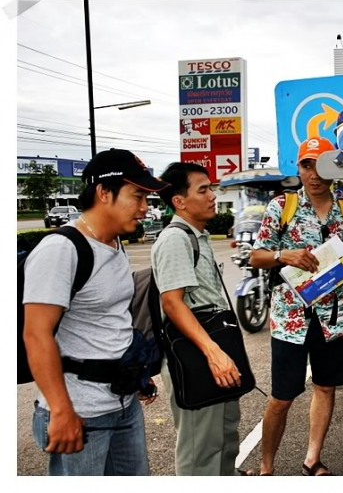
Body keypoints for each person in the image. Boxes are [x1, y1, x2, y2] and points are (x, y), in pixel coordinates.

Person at [23, 148, 168, 475]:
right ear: (104, 192)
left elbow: (110, 322)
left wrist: (137, 375)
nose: (146, 208)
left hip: (123, 404)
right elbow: (36, 334)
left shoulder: (114, 245)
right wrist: (61, 412)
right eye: (138, 196)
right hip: (81, 411)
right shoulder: (62, 250)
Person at [251, 137, 343, 476]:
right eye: (306, 165)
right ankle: (266, 467)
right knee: (282, 396)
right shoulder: (281, 206)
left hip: (334, 318)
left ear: (334, 167)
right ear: (298, 167)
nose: (313, 174)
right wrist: (281, 255)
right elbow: (256, 256)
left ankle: (312, 458)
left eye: (320, 165)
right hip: (291, 319)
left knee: (325, 386)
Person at [151, 162, 242, 476]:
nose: (212, 196)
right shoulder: (176, 239)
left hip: (212, 353)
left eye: (211, 188)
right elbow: (173, 304)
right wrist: (213, 353)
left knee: (225, 439)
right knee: (199, 450)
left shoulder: (197, 236)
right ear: (179, 201)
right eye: (203, 189)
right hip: (196, 358)